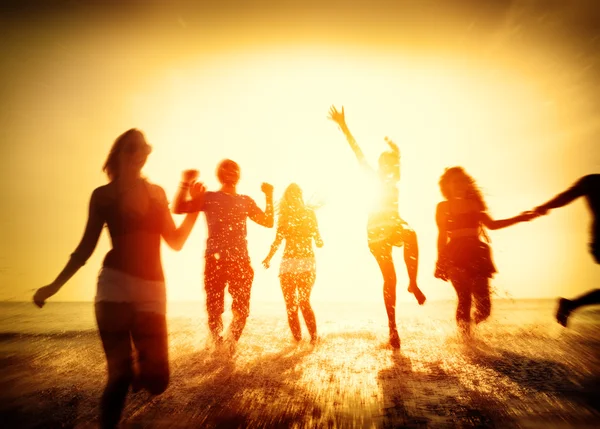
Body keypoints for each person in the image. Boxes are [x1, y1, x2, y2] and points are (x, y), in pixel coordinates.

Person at [33, 129, 200, 429]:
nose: (140, 153)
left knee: (159, 381)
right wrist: (54, 285)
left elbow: (175, 241)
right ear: (119, 153)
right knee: (119, 377)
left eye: (144, 148)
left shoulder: (156, 193)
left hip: (152, 289)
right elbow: (86, 246)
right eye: (133, 148)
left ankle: (136, 365)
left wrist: (194, 209)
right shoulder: (103, 195)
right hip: (114, 285)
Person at [328, 105, 425, 349]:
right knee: (389, 278)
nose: (387, 168)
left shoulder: (394, 180)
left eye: (390, 165)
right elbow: (358, 152)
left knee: (411, 233)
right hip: (375, 232)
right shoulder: (373, 177)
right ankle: (393, 328)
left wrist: (396, 152)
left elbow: (397, 163)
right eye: (383, 164)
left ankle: (412, 283)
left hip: (393, 225)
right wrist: (344, 126)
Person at [172, 160, 274, 348]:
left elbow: (268, 222)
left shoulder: (245, 201)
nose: (231, 172)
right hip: (214, 261)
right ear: (219, 174)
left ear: (239, 175)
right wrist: (185, 183)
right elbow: (178, 208)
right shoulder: (209, 197)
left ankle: (229, 348)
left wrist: (269, 195)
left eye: (235, 169)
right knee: (214, 310)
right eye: (226, 169)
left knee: (242, 311)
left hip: (241, 262)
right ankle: (218, 347)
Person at [435, 167, 536, 335]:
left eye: (462, 180)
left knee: (485, 308)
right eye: (455, 181)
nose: (459, 184)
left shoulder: (474, 204)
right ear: (447, 186)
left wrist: (520, 218)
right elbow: (441, 235)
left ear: (467, 184)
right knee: (464, 298)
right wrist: (440, 261)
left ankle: (470, 327)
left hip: (476, 253)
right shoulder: (443, 207)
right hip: (454, 254)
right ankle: (465, 340)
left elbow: (492, 225)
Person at [533, 174, 600, 327]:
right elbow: (566, 196)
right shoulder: (592, 181)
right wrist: (545, 206)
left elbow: (566, 196)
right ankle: (571, 304)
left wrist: (545, 207)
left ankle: (571, 304)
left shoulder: (591, 181)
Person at [262, 183, 324, 344]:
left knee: (303, 302)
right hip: (289, 263)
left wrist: (317, 238)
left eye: (297, 194)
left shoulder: (309, 214)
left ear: (301, 196)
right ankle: (298, 343)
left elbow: (318, 239)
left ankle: (313, 339)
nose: (295, 197)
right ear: (288, 198)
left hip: (306, 263)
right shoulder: (286, 217)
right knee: (291, 304)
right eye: (292, 194)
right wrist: (268, 257)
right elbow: (277, 240)